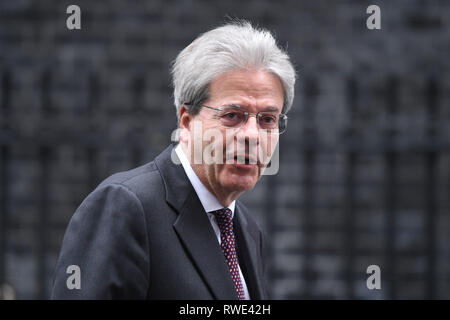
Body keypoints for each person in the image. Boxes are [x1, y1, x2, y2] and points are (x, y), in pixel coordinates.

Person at [51, 20, 296, 300]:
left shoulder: (247, 229)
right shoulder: (126, 208)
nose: (252, 135)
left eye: (267, 119)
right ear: (187, 122)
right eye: (232, 115)